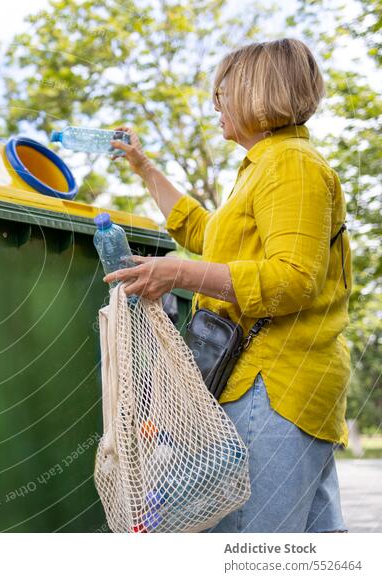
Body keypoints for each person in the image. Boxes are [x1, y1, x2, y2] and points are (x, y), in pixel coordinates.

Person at [107, 38, 351, 533]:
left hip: (275, 382)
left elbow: (293, 279)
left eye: (224, 93)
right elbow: (205, 233)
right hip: (275, 383)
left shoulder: (291, 165)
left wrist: (175, 272)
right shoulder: (262, 167)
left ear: (257, 96)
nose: (216, 105)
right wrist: (143, 166)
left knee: (249, 548)